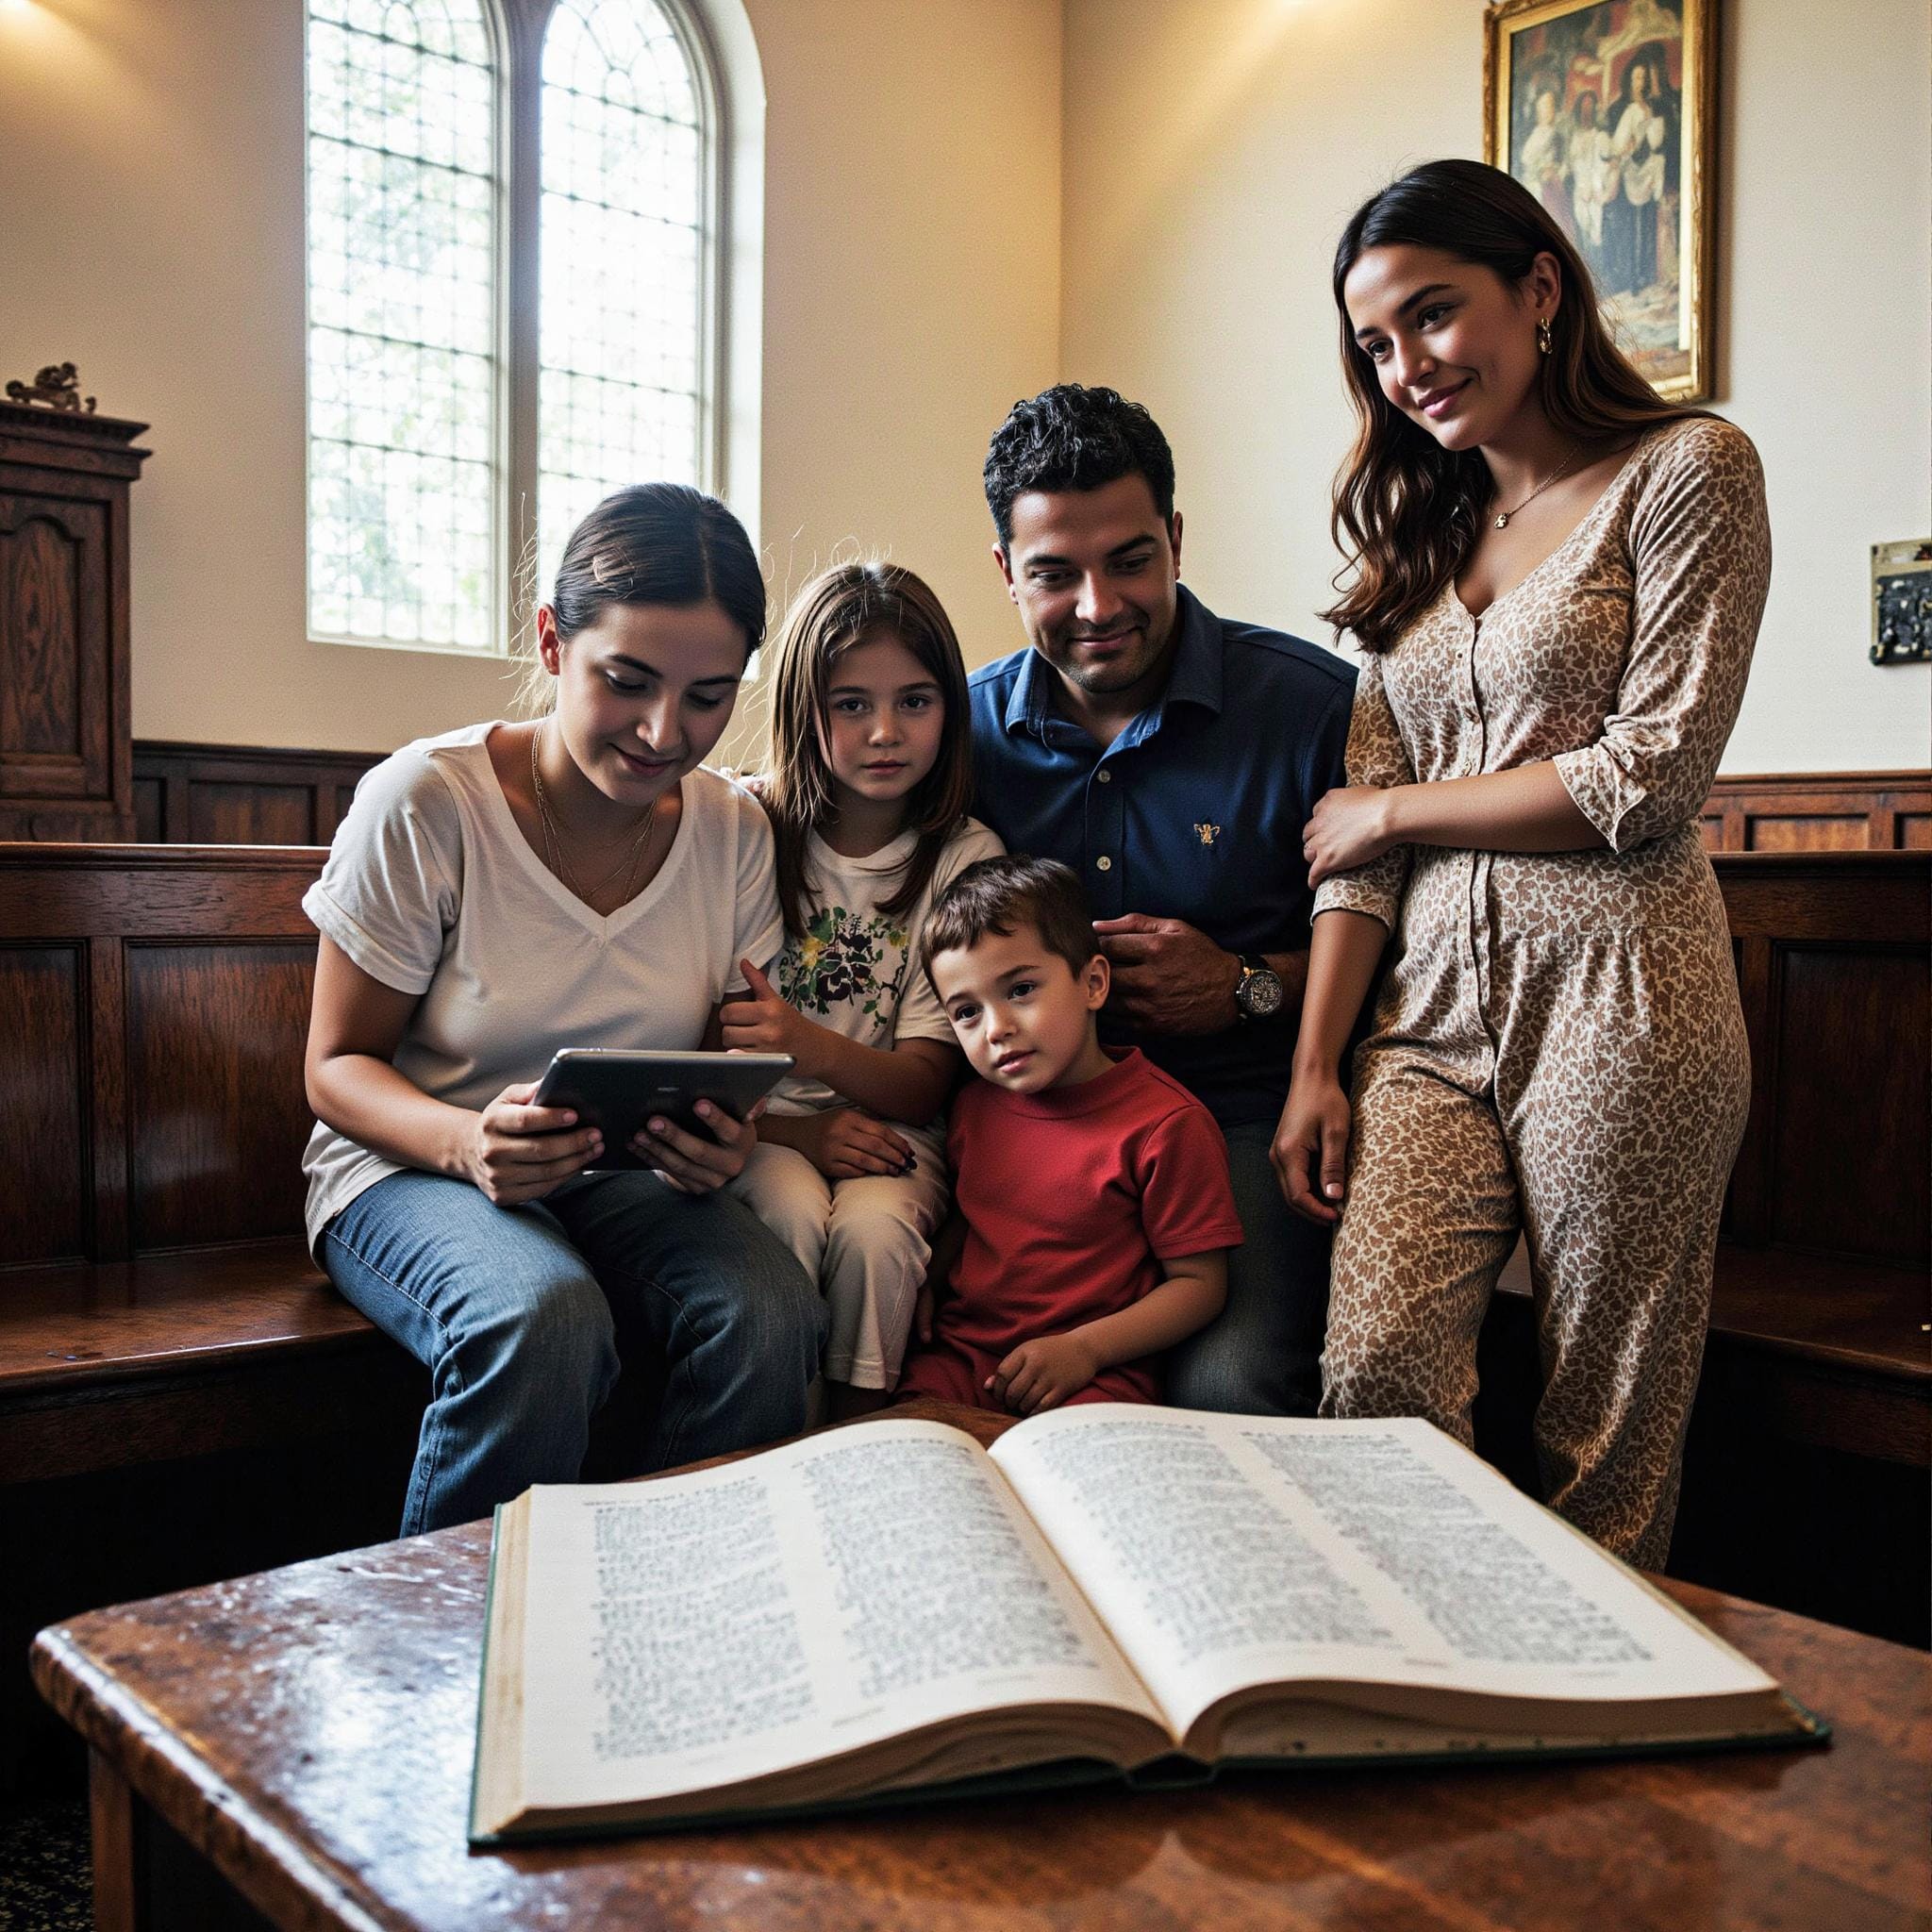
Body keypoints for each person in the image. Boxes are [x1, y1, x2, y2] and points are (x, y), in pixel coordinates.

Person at [1274, 158, 1770, 1568]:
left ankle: (1602, 1748)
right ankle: (1422, 1689)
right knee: (1376, 1383)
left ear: (1539, 288)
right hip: (1421, 1026)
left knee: (1606, 1438)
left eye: (1435, 315)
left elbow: (1650, 775)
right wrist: (1318, 1062)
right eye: (1376, 343)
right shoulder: (1415, 534)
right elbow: (1352, 840)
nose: (1408, 366)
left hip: (1629, 1004)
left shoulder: (1688, 472)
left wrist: (1404, 811)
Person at [302, 483, 826, 1537]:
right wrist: (464, 1142)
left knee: (769, 1308)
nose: (663, 730)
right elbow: (333, 1067)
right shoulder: (427, 801)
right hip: (407, 1169)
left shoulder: (729, 831)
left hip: (615, 1175)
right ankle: (459, 1659)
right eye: (625, 680)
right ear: (552, 640)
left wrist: (724, 1140)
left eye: (709, 696)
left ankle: (676, 1613)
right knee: (542, 1314)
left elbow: (736, 1064)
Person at [970, 383, 1355, 1417]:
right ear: (1006, 573)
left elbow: (1411, 959)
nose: (1098, 605)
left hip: (1238, 1121)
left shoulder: (1310, 710)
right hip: (1023, 1124)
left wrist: (1242, 986)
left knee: (1227, 1386)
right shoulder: (952, 739)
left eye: (1129, 559)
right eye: (1054, 574)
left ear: (1175, 538)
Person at [721, 562, 1002, 1412]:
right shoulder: (746, 829)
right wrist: (797, 1135)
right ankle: (778, 1431)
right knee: (792, 1217)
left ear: (949, 709)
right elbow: (699, 1044)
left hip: (896, 1135)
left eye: (914, 701)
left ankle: (861, 1436)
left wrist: (803, 1045)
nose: (885, 731)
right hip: (759, 1129)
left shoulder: (963, 858)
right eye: (852, 705)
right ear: (804, 706)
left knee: (877, 1237)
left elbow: (925, 1079)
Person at [897, 857, 1240, 1415]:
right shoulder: (974, 1106)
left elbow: (1200, 1286)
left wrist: (1083, 1349)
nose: (997, 1028)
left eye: (1022, 989)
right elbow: (975, 1215)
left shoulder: (1167, 1126)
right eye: (966, 1012)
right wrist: (928, 1281)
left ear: (1094, 983)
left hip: (1091, 1375)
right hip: (964, 1359)